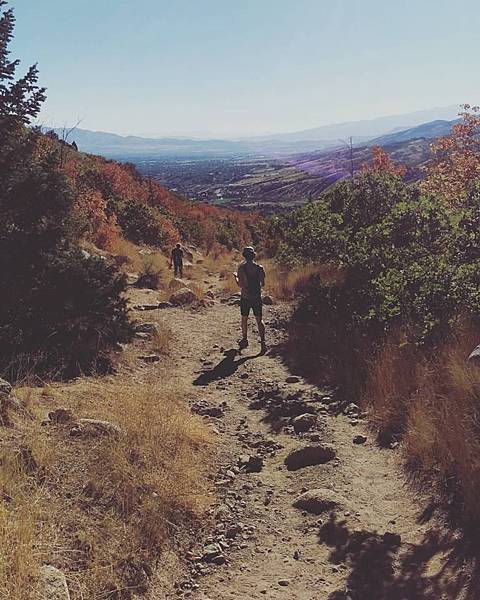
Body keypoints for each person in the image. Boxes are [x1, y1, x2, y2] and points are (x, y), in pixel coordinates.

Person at [234, 246, 266, 351]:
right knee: (259, 319)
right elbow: (263, 284)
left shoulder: (241, 268)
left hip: (246, 297)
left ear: (244, 255)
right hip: (257, 297)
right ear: (253, 256)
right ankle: (263, 342)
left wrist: (235, 277)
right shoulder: (260, 268)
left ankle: (245, 339)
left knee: (244, 318)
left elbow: (240, 284)